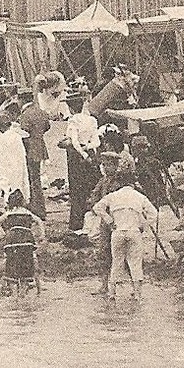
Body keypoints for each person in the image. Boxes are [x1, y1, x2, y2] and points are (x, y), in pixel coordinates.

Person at [92, 171, 158, 300]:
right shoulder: (139, 196)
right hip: (134, 232)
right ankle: (137, 294)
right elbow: (153, 213)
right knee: (135, 262)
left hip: (118, 232)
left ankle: (112, 293)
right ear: (132, 183)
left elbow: (97, 207)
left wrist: (110, 221)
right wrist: (143, 225)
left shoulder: (113, 195)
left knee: (117, 261)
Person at [63, 96, 101, 231]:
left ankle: (77, 224)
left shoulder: (73, 121)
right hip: (90, 152)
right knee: (90, 187)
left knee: (77, 190)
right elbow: (97, 142)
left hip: (76, 156)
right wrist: (87, 150)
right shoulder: (92, 120)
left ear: (71, 108)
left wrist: (82, 153)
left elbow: (74, 142)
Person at [16, 92, 54, 219]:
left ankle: (36, 208)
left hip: (29, 149)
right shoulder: (41, 112)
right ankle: (39, 207)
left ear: (21, 100)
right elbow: (47, 126)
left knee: (32, 180)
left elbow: (24, 132)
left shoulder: (25, 115)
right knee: (36, 178)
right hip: (40, 147)